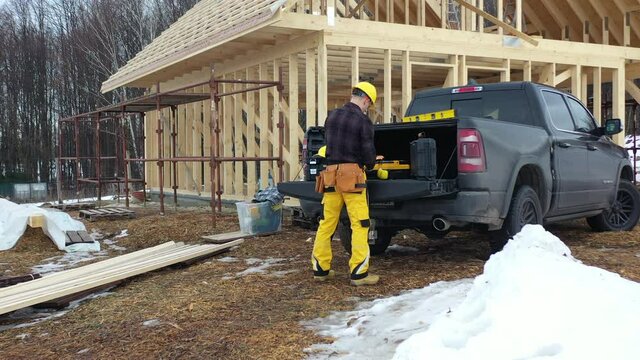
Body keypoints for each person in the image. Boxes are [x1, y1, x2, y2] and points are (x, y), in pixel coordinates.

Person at [312, 81, 379, 286]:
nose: (368, 109)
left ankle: (320, 269)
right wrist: (372, 163)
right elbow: (368, 156)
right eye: (370, 105)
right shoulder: (363, 121)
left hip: (330, 176)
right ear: (366, 100)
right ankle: (359, 273)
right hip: (353, 179)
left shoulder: (331, 117)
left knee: (327, 223)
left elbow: (329, 146)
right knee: (360, 224)